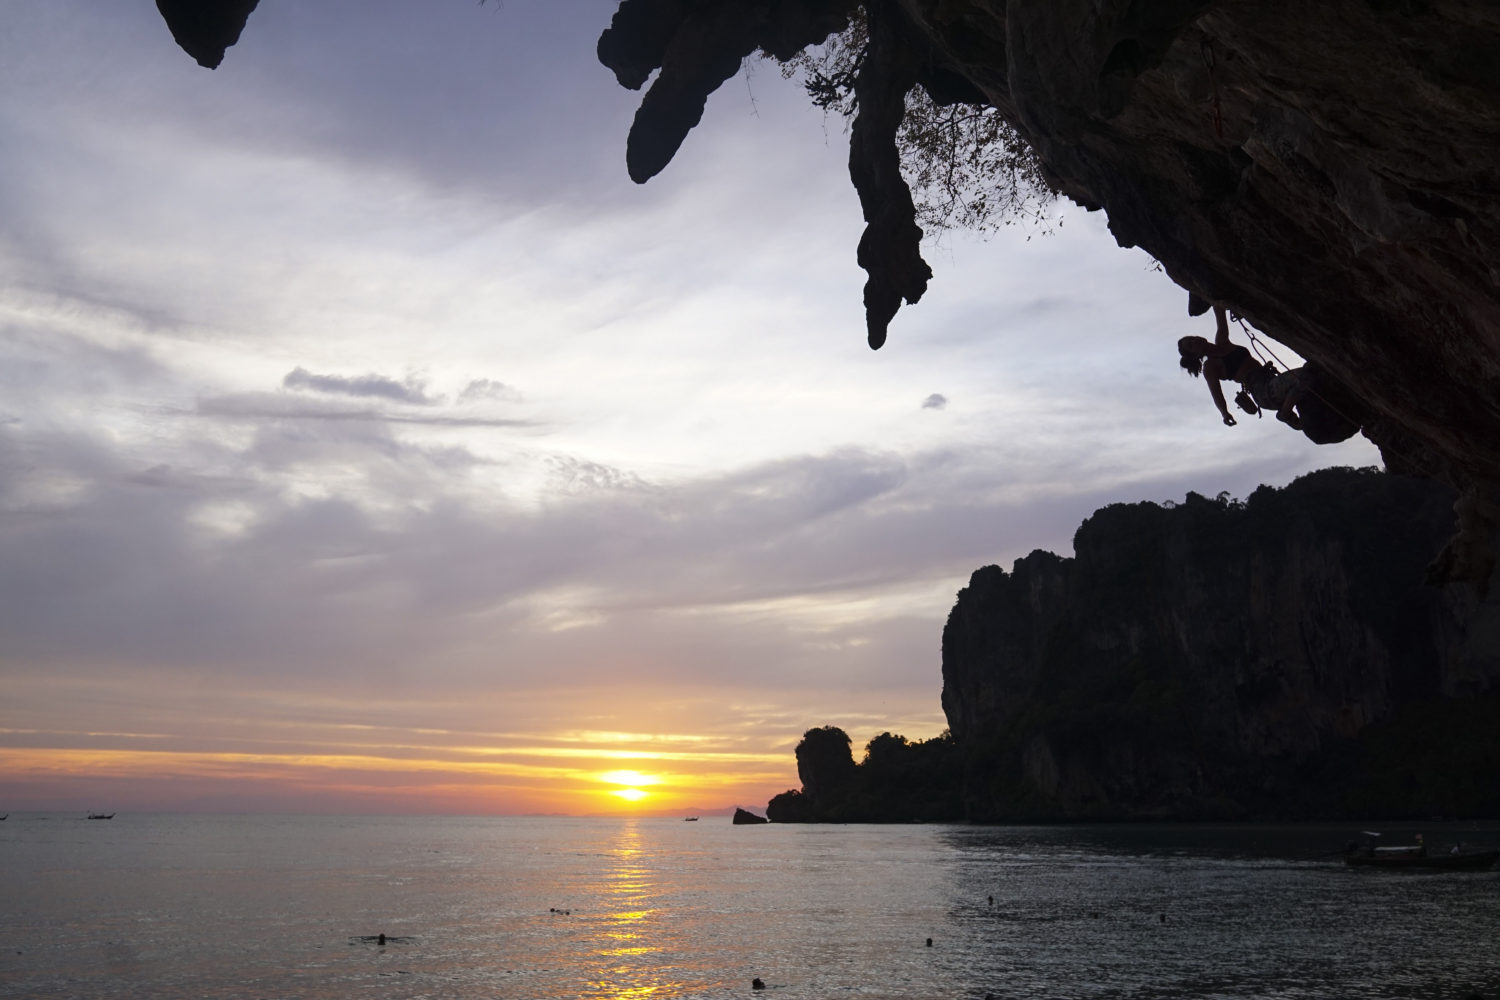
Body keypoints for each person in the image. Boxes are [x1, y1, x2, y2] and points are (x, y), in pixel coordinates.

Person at [1178, 305, 1328, 433]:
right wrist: (1225, 413)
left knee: (1313, 369)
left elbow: (1219, 312)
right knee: (1304, 377)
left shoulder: (1222, 341)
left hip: (1270, 381)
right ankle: (1285, 413)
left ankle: (1289, 409)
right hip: (1263, 392)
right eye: (1191, 345)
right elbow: (1217, 394)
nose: (1194, 340)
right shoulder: (1210, 367)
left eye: (1191, 338)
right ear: (1195, 355)